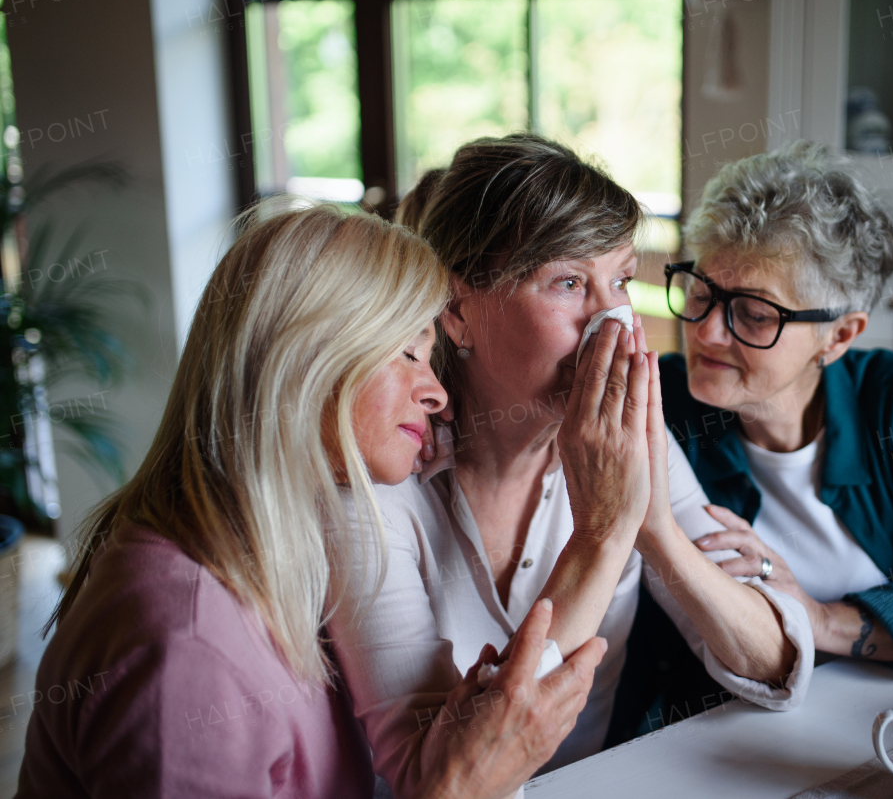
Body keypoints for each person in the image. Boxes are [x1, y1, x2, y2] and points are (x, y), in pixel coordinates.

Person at [17, 204, 605, 799]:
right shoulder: (186, 647)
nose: (436, 394)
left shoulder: (273, 559)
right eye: (406, 354)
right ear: (303, 362)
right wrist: (463, 785)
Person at [327, 135, 814, 796]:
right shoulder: (376, 479)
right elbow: (435, 777)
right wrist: (602, 535)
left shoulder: (626, 441)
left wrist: (660, 535)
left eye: (619, 280)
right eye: (567, 282)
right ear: (458, 311)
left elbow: (778, 664)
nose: (611, 319)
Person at [616, 141, 893, 730]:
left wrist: (820, 621)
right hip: (712, 738)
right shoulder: (656, 405)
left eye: (755, 314)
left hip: (880, 726)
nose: (708, 332)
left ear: (839, 336)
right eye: (702, 292)